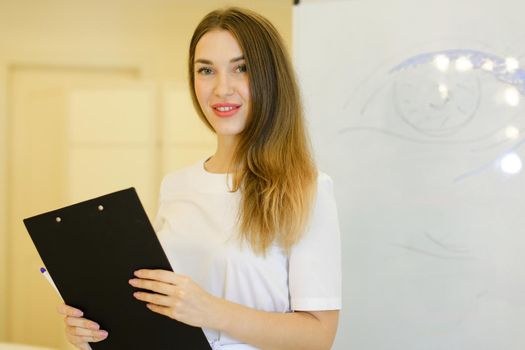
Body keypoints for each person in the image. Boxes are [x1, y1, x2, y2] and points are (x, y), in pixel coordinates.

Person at [57, 6, 341, 350]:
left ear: (271, 78)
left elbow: (318, 336)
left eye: (242, 68)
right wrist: (93, 331)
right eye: (206, 70)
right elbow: (158, 309)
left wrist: (211, 311)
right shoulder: (175, 185)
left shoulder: (306, 189)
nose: (222, 88)